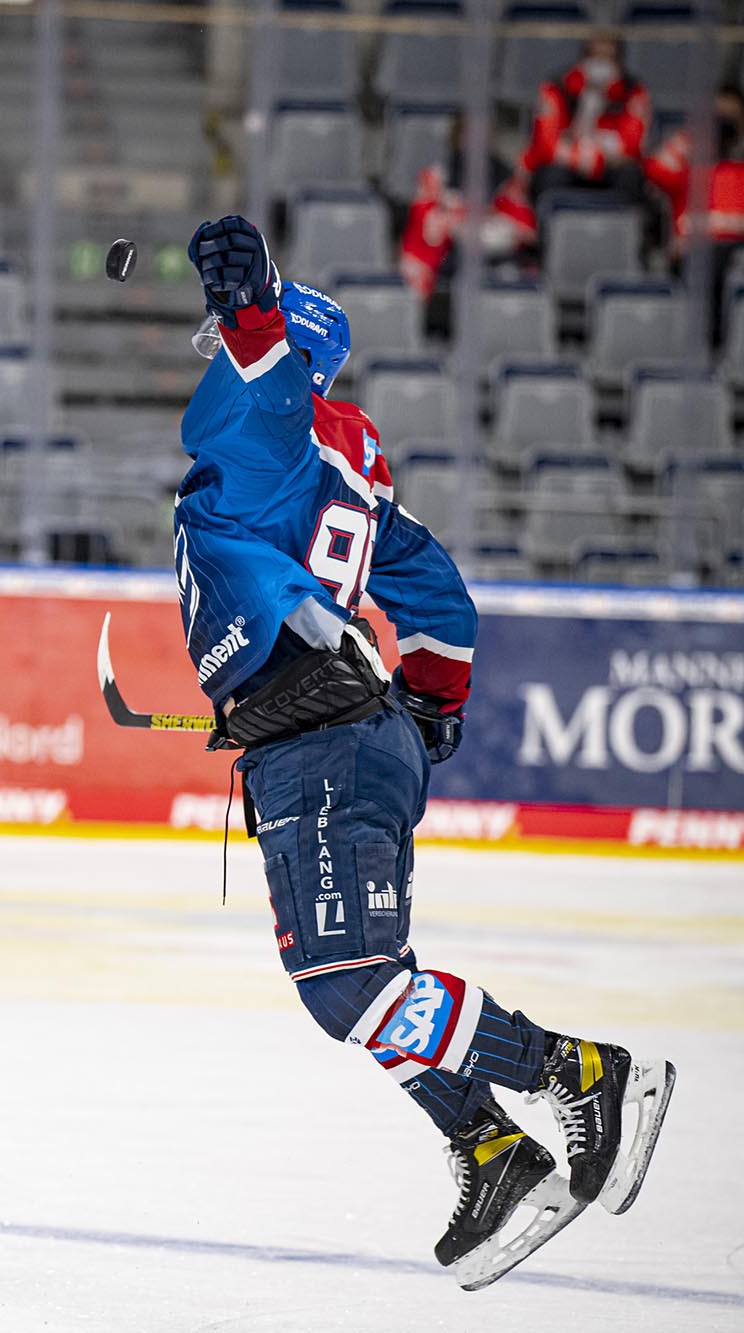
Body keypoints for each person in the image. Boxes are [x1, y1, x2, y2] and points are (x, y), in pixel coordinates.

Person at [175, 214, 677, 1290]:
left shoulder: (273, 430)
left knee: (346, 981)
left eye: (237, 349)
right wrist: (432, 704)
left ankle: (584, 1074)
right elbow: (442, 602)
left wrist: (248, 303)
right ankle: (490, 1149)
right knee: (357, 983)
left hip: (325, 742)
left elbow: (269, 383)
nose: (216, 359)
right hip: (334, 738)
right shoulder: (348, 470)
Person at [399, 112, 538, 307]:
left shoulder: (506, 179)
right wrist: (459, 222)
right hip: (449, 259)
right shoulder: (436, 177)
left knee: (510, 271)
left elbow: (524, 227)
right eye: (468, 135)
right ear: (456, 137)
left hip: (496, 257)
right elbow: (426, 228)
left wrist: (490, 228)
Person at [643, 84, 744, 344]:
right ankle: (706, 343)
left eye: (729, 120)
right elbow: (654, 168)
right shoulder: (688, 173)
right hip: (694, 254)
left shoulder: (739, 171)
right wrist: (696, 134)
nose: (722, 127)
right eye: (717, 119)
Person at [520, 33, 653, 213]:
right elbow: (546, 144)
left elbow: (631, 145)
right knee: (549, 177)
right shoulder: (558, 86)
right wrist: (581, 157)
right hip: (567, 165)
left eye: (608, 57)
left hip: (610, 167)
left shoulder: (632, 90)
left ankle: (624, 228)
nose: (600, 63)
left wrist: (597, 158)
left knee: (630, 177)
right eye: (595, 55)